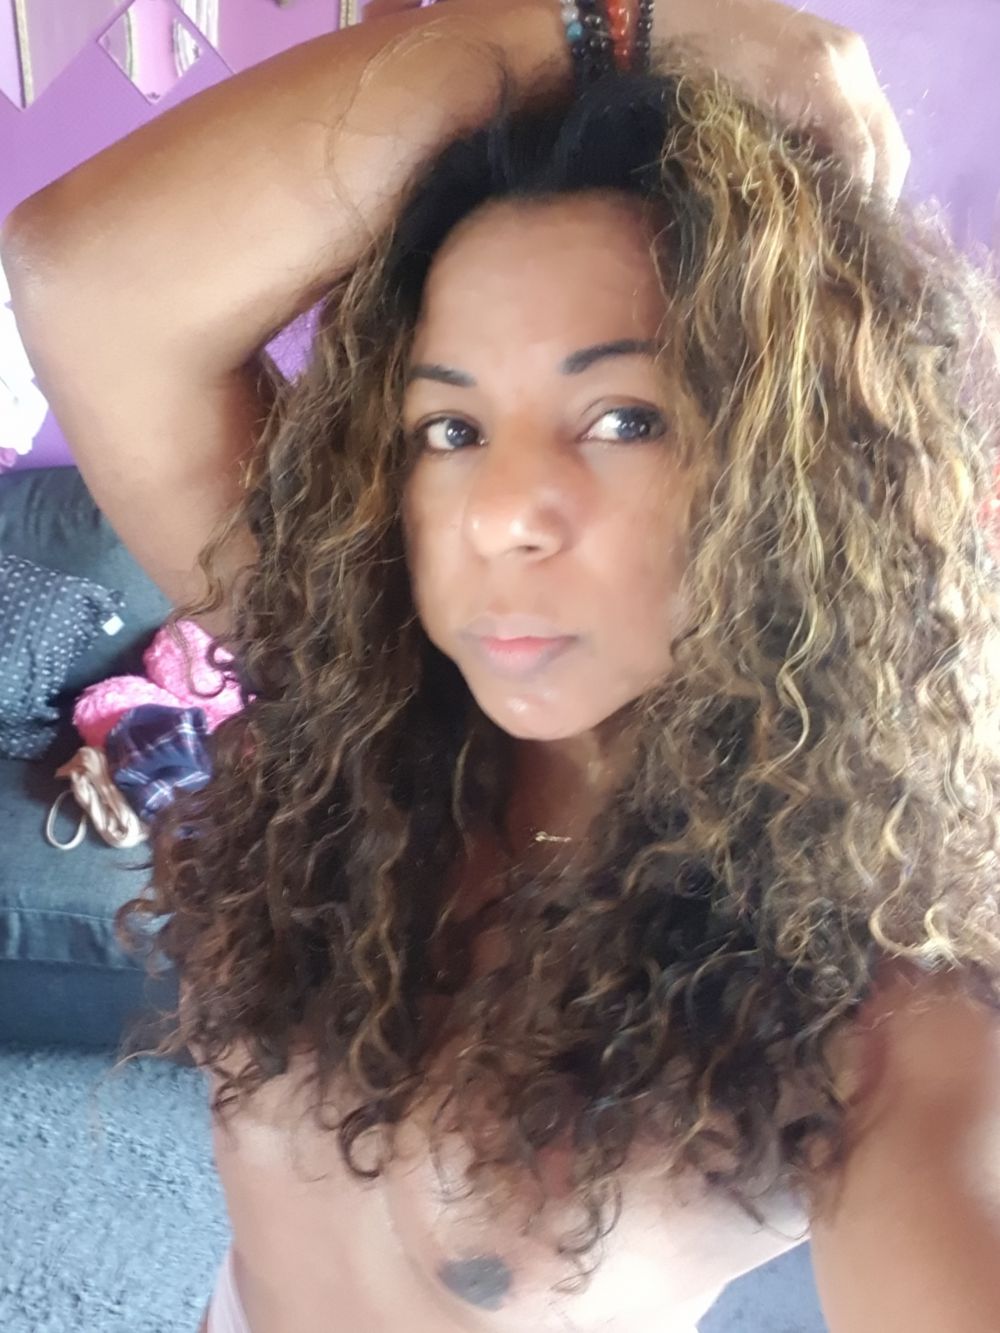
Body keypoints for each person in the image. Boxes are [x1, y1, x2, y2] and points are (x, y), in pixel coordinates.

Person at [4, 2, 1000, 1332]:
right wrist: (605, 26)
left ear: (794, 480)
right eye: (452, 426)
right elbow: (81, 279)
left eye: (623, 418)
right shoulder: (356, 694)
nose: (499, 514)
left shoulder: (869, 1003)